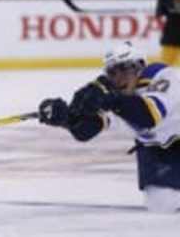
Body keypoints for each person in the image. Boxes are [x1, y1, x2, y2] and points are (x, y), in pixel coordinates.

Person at [38, 41, 180, 213]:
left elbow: (148, 117)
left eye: (124, 70)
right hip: (156, 149)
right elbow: (85, 131)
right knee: (162, 206)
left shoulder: (163, 76)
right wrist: (65, 119)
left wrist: (108, 99)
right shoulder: (116, 95)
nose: (118, 78)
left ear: (139, 66)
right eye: (113, 72)